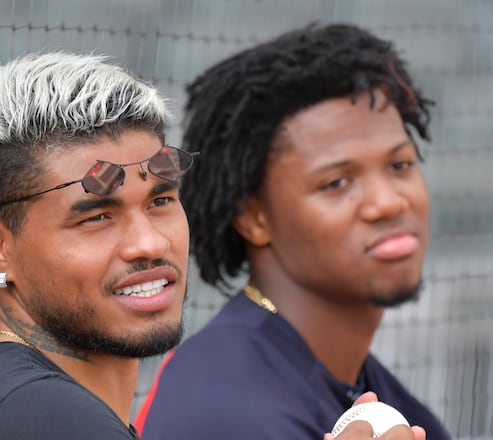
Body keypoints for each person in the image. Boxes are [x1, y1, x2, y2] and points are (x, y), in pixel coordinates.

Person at [139, 23, 451, 440]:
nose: (389, 202)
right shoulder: (227, 410)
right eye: (336, 182)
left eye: (400, 165)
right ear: (253, 217)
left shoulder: (372, 388)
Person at [0, 52, 194, 439]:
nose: (150, 243)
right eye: (96, 217)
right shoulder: (47, 418)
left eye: (160, 201)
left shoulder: (15, 403)